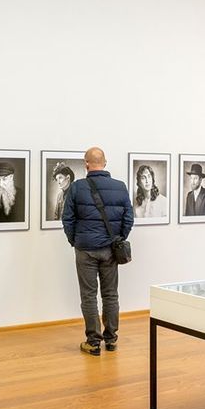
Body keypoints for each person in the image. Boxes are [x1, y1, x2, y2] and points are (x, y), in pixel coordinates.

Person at [61, 147, 134, 356]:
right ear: (105, 163)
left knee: (89, 296)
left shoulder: (77, 187)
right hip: (110, 249)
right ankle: (111, 340)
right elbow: (128, 219)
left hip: (85, 250)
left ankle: (93, 342)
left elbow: (67, 219)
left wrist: (75, 240)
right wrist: (118, 239)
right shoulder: (120, 187)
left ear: (86, 164)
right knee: (111, 295)